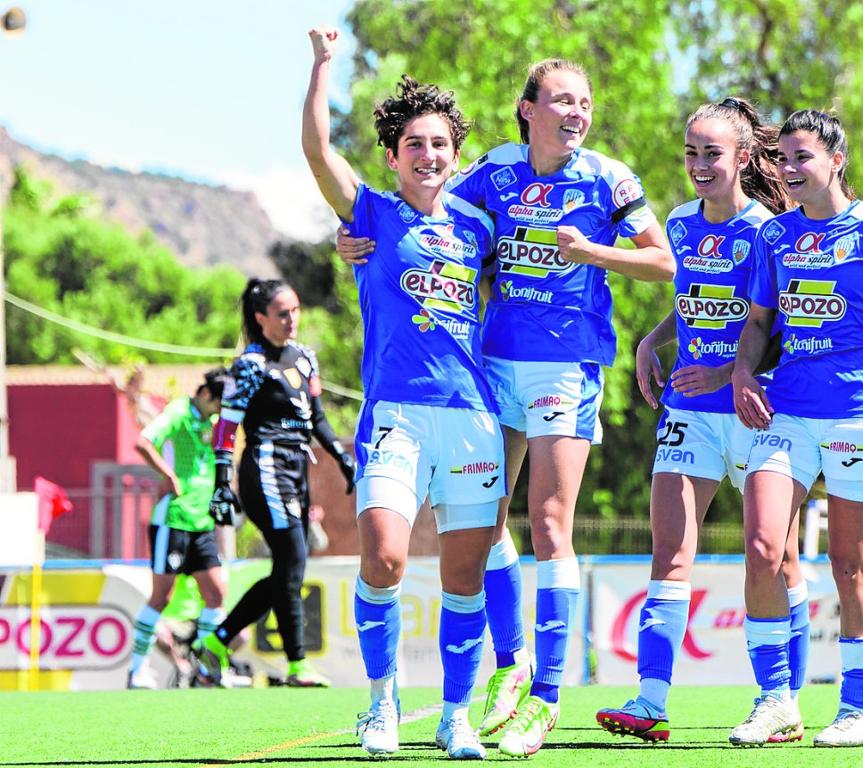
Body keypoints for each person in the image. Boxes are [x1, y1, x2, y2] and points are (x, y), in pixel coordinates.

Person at [338, 57, 674, 756]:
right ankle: (512, 662)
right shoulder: (491, 169)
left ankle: (545, 697)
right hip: (489, 367)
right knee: (485, 527)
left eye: (583, 101)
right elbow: (435, 222)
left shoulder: (611, 179)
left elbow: (664, 262)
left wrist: (593, 253)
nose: (576, 113)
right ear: (529, 110)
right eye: (561, 101)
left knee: (550, 521)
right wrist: (355, 243)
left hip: (566, 364)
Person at [302, 26, 505, 759]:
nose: (427, 155)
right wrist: (324, 66)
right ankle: (380, 703)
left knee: (463, 577)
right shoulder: (372, 217)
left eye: (440, 144)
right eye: (413, 144)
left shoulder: (481, 227)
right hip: (397, 415)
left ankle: (456, 714)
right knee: (383, 557)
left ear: (456, 156)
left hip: (474, 420)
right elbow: (319, 154)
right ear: (392, 156)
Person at [594, 98, 809, 743]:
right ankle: (650, 702)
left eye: (711, 153)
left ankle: (782, 700)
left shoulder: (772, 229)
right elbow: (692, 300)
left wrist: (725, 374)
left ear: (743, 158)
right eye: (691, 152)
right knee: (670, 551)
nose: (698, 165)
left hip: (756, 409)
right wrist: (651, 340)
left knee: (777, 556)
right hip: (687, 410)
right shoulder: (683, 223)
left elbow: (779, 322)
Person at [731, 109, 863, 748]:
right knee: (764, 550)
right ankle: (776, 702)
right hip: (786, 409)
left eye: (803, 159)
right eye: (783, 160)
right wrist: (742, 373)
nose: (790, 171)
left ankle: (855, 711)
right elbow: (760, 320)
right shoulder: (774, 236)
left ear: (835, 161)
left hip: (860, 414)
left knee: (850, 563)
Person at [197, 276, 355, 690]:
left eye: (295, 310)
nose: (291, 320)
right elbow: (226, 429)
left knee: (290, 567)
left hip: (295, 469)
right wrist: (220, 483)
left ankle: (216, 642)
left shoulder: (305, 358)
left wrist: (342, 459)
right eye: (282, 313)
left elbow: (316, 417)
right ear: (261, 318)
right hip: (263, 468)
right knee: (293, 557)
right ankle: (297, 664)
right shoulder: (248, 366)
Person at [127, 368, 229, 689]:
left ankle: (209, 671)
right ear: (207, 395)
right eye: (220, 404)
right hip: (172, 520)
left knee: (216, 594)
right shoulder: (178, 413)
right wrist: (168, 476)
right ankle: (136, 671)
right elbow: (142, 442)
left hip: (202, 523)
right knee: (161, 597)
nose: (221, 412)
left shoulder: (214, 424)